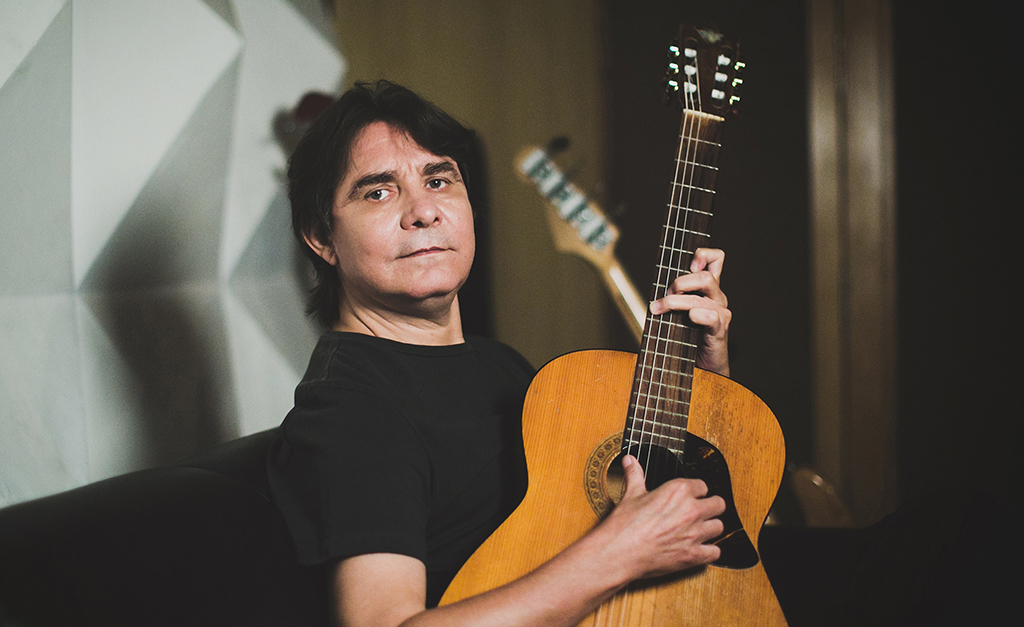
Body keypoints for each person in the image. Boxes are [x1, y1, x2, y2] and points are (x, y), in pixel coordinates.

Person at [267, 79, 734, 627]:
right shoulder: (351, 411)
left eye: (438, 180)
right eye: (378, 192)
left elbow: (662, 496)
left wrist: (708, 373)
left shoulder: (500, 368)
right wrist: (620, 554)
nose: (423, 212)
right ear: (321, 237)